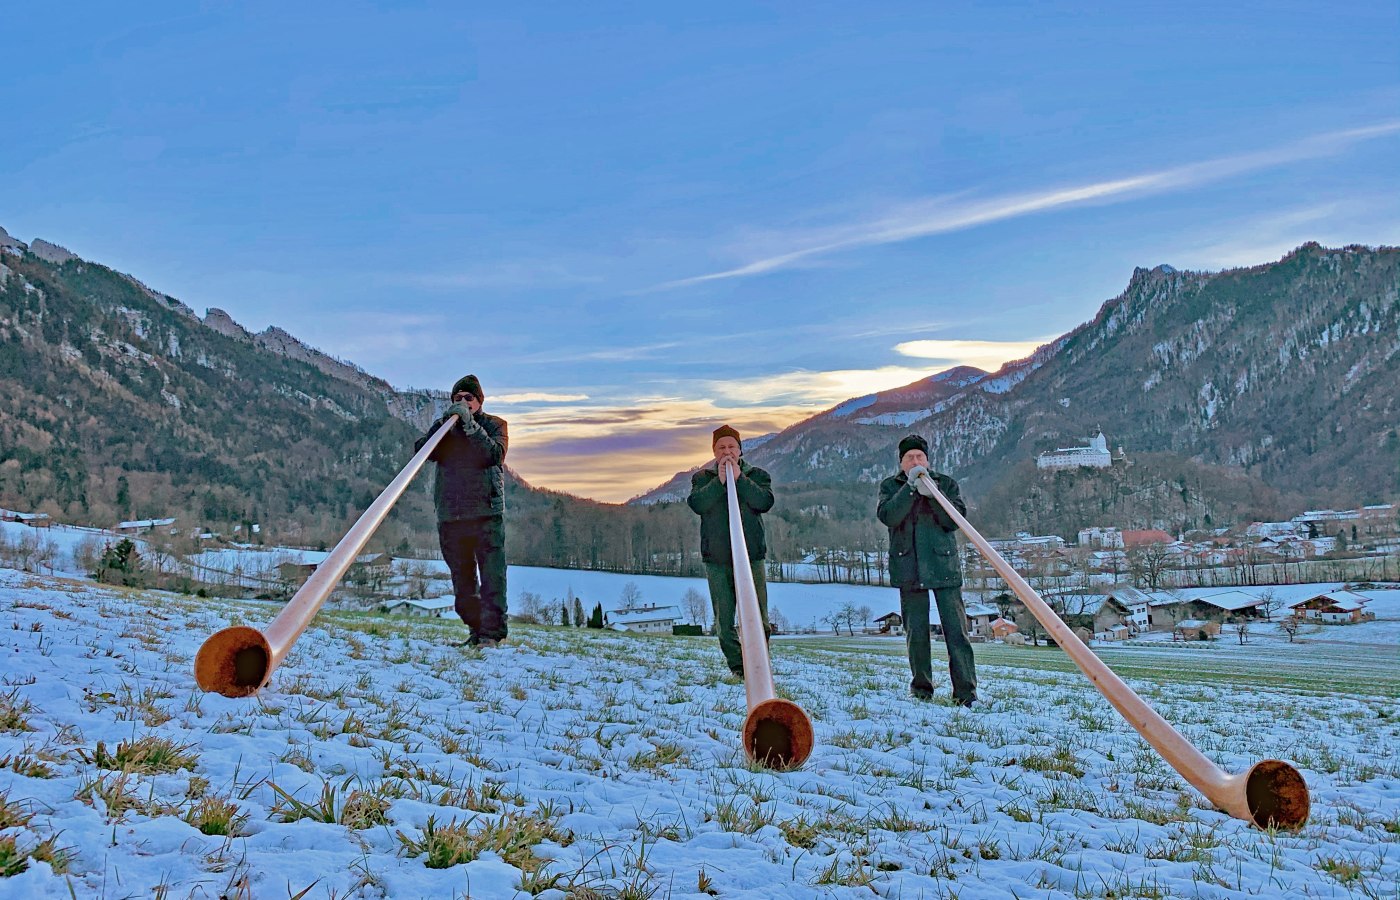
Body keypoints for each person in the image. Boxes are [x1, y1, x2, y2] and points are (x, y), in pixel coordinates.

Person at [877, 434, 977, 705]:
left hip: (943, 565)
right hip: (908, 566)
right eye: (909, 457)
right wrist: (910, 489)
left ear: (928, 460)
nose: (915, 461)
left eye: (919, 456)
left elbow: (953, 520)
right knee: (916, 634)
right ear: (901, 463)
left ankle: (966, 692)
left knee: (956, 632)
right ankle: (921, 690)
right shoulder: (890, 487)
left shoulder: (945, 484)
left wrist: (932, 493)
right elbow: (889, 516)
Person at [415, 374, 509, 648]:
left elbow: (494, 454)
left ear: (479, 401)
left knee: (493, 577)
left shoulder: (495, 425)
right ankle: (475, 629)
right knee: (463, 582)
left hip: (486, 514)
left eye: (469, 398)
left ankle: (491, 635)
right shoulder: (445, 428)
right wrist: (444, 426)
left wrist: (470, 427)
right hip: (451, 516)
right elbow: (423, 452)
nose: (463, 402)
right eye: (458, 398)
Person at [687, 425, 775, 678]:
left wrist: (740, 480)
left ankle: (759, 663)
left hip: (752, 557)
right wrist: (720, 482)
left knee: (759, 617)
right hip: (717, 559)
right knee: (724, 620)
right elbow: (697, 503)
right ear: (714, 451)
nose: (727, 452)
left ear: (740, 449)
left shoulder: (757, 475)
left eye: (731, 447)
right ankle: (739, 667)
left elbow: (764, 502)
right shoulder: (702, 479)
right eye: (721, 447)